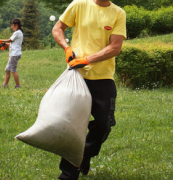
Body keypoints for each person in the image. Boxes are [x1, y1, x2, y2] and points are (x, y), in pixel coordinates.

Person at [52, 0, 126, 179]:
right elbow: (57, 29)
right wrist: (67, 48)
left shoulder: (118, 13)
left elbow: (115, 47)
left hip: (103, 78)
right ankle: (68, 174)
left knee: (104, 124)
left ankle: (84, 155)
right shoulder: (79, 4)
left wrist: (87, 60)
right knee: (73, 127)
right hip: (77, 77)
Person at [0, 18, 23, 88]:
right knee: (7, 69)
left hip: (15, 54)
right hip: (14, 53)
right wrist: (3, 43)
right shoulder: (19, 32)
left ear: (16, 25)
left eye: (12, 25)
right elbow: (13, 43)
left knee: (13, 70)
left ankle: (18, 86)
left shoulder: (17, 32)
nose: (11, 26)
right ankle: (5, 85)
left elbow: (10, 40)